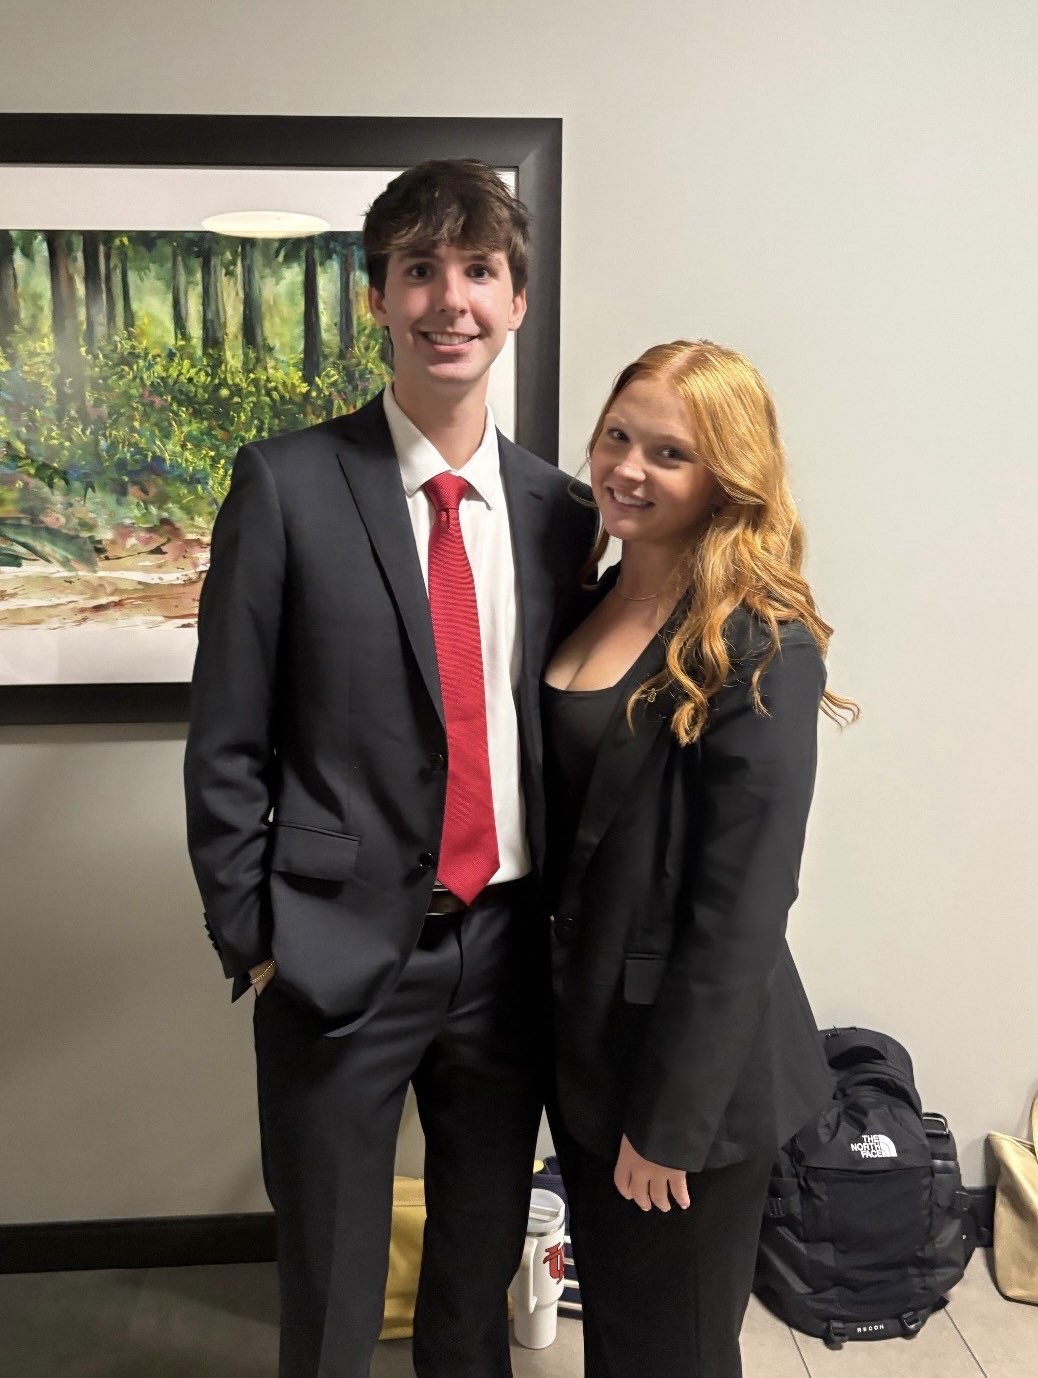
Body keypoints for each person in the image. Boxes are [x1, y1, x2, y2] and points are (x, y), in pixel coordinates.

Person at [183, 159, 596, 1378]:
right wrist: (256, 937)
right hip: (332, 954)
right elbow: (226, 742)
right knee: (330, 1298)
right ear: (378, 298)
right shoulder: (286, 484)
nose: (449, 299)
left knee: (472, 1288)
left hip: (508, 960)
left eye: (478, 270)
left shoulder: (564, 513)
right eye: (419, 270)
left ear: (517, 300)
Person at [542, 340, 857, 1378]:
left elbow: (744, 911)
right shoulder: (587, 596)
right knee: (624, 1337)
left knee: (671, 1350)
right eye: (617, 436)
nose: (627, 468)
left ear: (726, 477)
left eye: (668, 453)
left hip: (686, 1083)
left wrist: (672, 1123)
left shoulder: (760, 641)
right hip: (588, 1046)